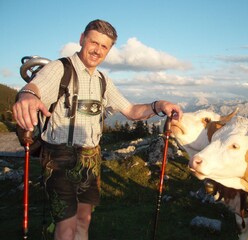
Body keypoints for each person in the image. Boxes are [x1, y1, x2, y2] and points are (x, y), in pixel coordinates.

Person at [13, 19, 182, 240]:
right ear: (82, 39)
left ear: (109, 50)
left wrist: (157, 106)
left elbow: (130, 110)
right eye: (94, 42)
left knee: (84, 220)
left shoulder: (103, 80)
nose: (97, 50)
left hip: (91, 159)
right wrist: (27, 96)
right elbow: (36, 86)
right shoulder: (60, 68)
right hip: (59, 158)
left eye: (104, 46)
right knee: (66, 226)